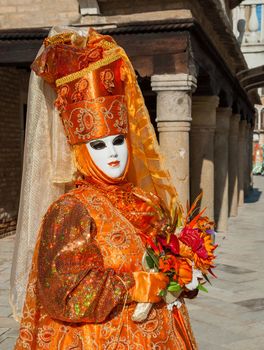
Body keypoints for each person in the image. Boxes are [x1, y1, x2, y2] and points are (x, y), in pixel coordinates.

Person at [12, 27, 197, 349]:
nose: (112, 153)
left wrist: (182, 271)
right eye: (97, 145)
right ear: (81, 150)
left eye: (118, 141)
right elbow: (64, 293)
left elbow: (167, 258)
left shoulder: (145, 198)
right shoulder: (71, 209)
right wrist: (136, 285)